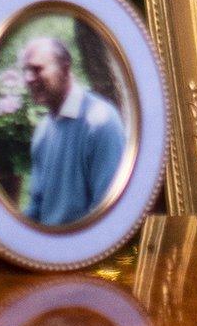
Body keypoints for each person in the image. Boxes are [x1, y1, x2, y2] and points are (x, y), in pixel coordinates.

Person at [18, 37, 126, 226]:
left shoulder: (100, 122)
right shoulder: (43, 130)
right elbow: (37, 207)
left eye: (37, 69)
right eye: (26, 70)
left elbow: (109, 214)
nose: (28, 78)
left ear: (65, 68)